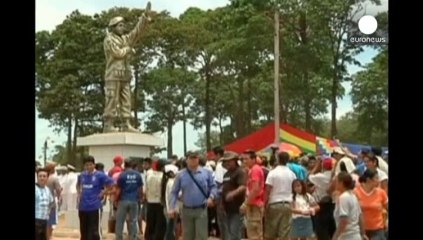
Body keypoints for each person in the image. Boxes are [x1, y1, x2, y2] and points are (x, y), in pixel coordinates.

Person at [102, 2, 151, 132]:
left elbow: (136, 33)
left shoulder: (124, 39)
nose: (122, 27)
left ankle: (126, 123)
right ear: (113, 27)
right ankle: (108, 124)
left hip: (125, 74)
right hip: (113, 74)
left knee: (126, 99)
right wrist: (128, 49)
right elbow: (117, 53)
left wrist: (144, 18)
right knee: (112, 99)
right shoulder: (109, 40)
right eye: (119, 25)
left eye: (123, 25)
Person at [168, 151, 217, 240]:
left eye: (195, 158)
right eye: (191, 158)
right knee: (187, 236)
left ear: (198, 159)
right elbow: (174, 192)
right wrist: (172, 207)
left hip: (201, 209)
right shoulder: (180, 175)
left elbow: (213, 187)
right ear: (187, 160)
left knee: (201, 236)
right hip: (187, 210)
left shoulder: (206, 173)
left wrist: (211, 197)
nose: (193, 160)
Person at [77, 156, 114, 240]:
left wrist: (104, 192)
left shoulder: (100, 175)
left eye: (90, 165)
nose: (88, 167)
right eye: (86, 165)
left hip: (94, 207)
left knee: (94, 232)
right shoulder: (82, 175)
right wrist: (79, 193)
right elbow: (78, 185)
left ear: (94, 165)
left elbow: (112, 183)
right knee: (84, 232)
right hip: (83, 207)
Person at [264, 151, 297, 240]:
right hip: (287, 204)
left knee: (270, 232)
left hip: (274, 203)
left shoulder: (272, 173)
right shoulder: (292, 174)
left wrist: (264, 203)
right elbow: (294, 190)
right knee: (285, 232)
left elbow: (267, 189)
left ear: (278, 159)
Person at [354, 169, 388, 240]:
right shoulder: (356, 192)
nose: (379, 180)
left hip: (378, 229)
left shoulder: (381, 193)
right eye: (376, 178)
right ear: (369, 180)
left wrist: (386, 221)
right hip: (360, 229)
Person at [221, 151, 247, 240]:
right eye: (225, 161)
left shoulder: (240, 172)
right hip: (227, 209)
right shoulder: (226, 174)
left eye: (229, 161)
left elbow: (243, 186)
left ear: (235, 161)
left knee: (235, 233)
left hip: (237, 208)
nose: (227, 163)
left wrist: (232, 194)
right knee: (229, 233)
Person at [308, 157, 336, 240]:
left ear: (323, 166)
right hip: (332, 204)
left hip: (322, 205)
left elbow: (309, 176)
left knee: (321, 229)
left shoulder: (320, 176)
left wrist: (316, 166)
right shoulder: (334, 176)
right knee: (331, 228)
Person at [332, 172, 367, 240]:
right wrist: (363, 233)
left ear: (341, 183)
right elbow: (360, 216)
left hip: (347, 236)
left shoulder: (343, 198)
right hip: (356, 236)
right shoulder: (353, 196)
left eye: (336, 181)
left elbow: (343, 220)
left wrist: (335, 237)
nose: (335, 184)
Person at [115, 158, 143, 240]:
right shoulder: (138, 175)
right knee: (133, 221)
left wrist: (116, 200)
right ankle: (133, 237)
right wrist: (140, 198)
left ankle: (119, 238)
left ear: (125, 165)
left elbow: (118, 189)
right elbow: (140, 188)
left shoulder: (122, 175)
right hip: (134, 200)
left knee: (120, 221)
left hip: (123, 200)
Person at [240, 149, 265, 240]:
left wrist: (245, 203)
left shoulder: (255, 170)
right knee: (252, 233)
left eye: (247, 159)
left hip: (254, 205)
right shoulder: (252, 170)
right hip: (253, 204)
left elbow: (255, 189)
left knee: (254, 233)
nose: (244, 161)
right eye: (243, 159)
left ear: (253, 159)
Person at [35, 168, 54, 240]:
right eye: (40, 176)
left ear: (47, 178)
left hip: (45, 221)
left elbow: (51, 203)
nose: (42, 178)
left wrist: (48, 214)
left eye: (44, 176)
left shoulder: (47, 190)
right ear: (37, 177)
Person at [163, 164, 179, 240]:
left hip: (169, 208)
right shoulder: (172, 183)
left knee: (170, 227)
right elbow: (175, 196)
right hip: (172, 208)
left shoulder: (167, 182)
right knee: (171, 228)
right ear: (172, 173)